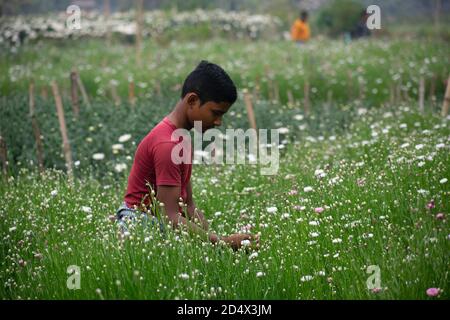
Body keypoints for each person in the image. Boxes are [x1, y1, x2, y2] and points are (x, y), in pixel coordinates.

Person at [116, 60, 259, 251]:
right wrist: (223, 243)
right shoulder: (168, 144)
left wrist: (213, 239)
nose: (218, 122)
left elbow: (188, 204)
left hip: (158, 221)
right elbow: (171, 216)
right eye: (215, 113)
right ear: (192, 101)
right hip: (140, 226)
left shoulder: (180, 138)